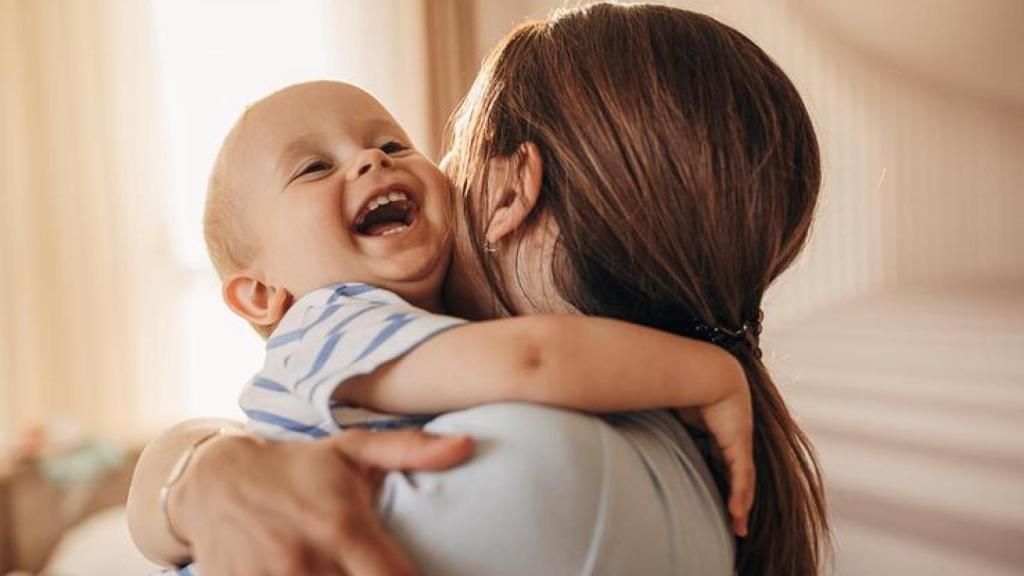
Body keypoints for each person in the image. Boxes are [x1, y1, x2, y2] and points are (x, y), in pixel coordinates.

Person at [128, 3, 829, 575]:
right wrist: (711, 371)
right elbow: (533, 358)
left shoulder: (533, 458)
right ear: (258, 295)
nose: (373, 160)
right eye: (314, 169)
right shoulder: (333, 320)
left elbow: (536, 359)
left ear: (510, 191)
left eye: (400, 146)